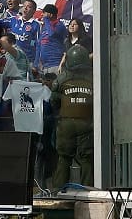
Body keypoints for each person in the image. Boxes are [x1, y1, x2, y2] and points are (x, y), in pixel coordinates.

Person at [50, 46, 93, 192]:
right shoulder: (94, 77)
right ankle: (89, 191)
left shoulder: (61, 79)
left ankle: (58, 190)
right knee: (86, 160)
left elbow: (54, 102)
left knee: (63, 159)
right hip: (87, 123)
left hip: (66, 124)